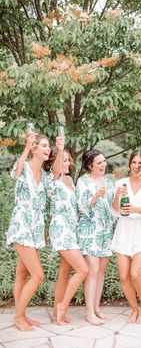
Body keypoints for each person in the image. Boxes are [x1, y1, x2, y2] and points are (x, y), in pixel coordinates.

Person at [6, 132, 51, 331]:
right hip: (22, 225)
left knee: (22, 273)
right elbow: (15, 173)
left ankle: (22, 314)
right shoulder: (23, 168)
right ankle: (18, 316)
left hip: (35, 228)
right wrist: (26, 146)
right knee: (38, 275)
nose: (47, 149)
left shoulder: (46, 176)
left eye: (48, 146)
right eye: (43, 145)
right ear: (34, 149)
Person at [45, 136, 88, 325]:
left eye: (68, 159)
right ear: (54, 162)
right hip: (61, 230)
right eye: (63, 159)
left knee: (64, 272)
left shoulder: (70, 179)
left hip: (73, 230)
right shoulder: (52, 179)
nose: (67, 162)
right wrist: (60, 148)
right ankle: (63, 306)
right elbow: (55, 170)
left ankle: (56, 311)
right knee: (82, 269)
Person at [111, 150, 141, 324]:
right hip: (124, 232)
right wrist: (117, 197)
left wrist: (134, 208)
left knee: (136, 274)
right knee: (123, 277)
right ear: (129, 163)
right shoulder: (121, 183)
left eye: (140, 163)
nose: (136, 166)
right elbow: (115, 209)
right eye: (134, 162)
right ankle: (133, 308)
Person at [75, 149, 114, 325]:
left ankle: (96, 308)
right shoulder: (83, 181)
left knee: (101, 272)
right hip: (89, 231)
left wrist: (118, 198)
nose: (103, 165)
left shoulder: (109, 182)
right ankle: (89, 312)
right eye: (99, 162)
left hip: (106, 231)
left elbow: (113, 209)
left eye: (104, 161)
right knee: (92, 270)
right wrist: (94, 197)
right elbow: (81, 207)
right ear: (90, 165)